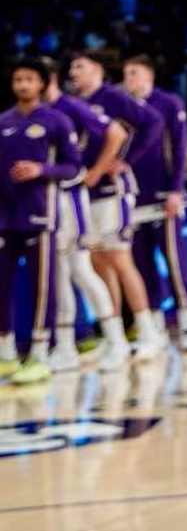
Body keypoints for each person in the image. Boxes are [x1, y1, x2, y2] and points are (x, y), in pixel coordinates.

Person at [69, 52, 166, 361]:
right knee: (99, 261)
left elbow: (153, 122)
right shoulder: (74, 103)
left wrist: (125, 160)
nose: (73, 72)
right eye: (71, 67)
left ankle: (148, 332)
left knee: (120, 258)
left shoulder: (112, 96)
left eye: (79, 66)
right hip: (89, 192)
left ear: (97, 69)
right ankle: (115, 337)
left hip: (114, 190)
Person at [42, 57, 131, 372]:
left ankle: (116, 339)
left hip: (72, 196)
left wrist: (97, 170)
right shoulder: (32, 113)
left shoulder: (71, 106)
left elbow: (116, 133)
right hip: (48, 199)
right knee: (60, 274)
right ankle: (66, 346)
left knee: (81, 269)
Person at [0, 59, 81, 384]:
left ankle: (39, 353)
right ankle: (6, 354)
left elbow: (73, 167)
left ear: (42, 83)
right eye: (18, 79)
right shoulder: (3, 121)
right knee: (2, 286)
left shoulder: (57, 121)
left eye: (29, 79)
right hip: (5, 218)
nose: (23, 84)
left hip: (41, 216)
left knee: (42, 288)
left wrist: (41, 170)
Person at [123, 55, 187, 351]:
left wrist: (176, 190)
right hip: (133, 199)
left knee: (176, 264)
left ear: (149, 76)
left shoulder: (168, 103)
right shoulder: (122, 107)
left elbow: (181, 148)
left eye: (133, 72)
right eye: (126, 74)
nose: (128, 79)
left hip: (163, 197)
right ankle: (154, 327)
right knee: (141, 265)